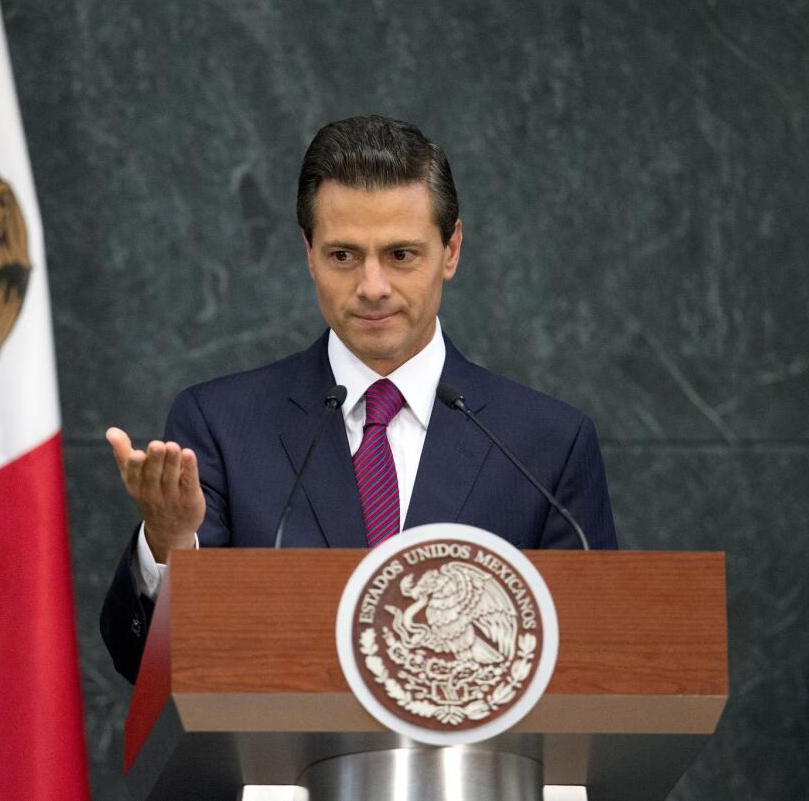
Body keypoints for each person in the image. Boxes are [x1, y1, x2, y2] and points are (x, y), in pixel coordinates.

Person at [100, 115, 617, 684]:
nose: (372, 286)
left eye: (400, 255)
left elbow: (592, 668)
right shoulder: (221, 425)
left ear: (451, 250)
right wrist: (171, 544)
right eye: (344, 256)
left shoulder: (546, 444)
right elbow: (147, 666)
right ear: (309, 254)